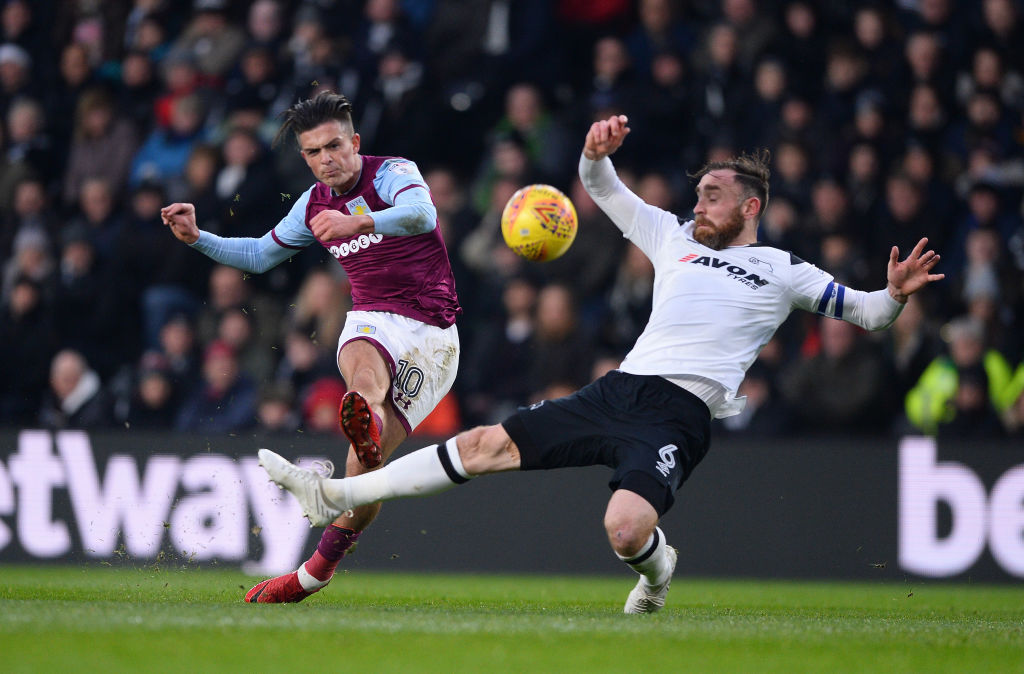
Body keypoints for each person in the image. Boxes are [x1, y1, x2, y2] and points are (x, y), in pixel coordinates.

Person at [257, 114, 945, 614]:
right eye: (698, 193)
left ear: (750, 206)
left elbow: (868, 313)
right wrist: (593, 153)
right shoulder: (671, 237)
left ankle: (656, 573)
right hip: (618, 390)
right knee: (482, 443)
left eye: (713, 196)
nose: (697, 204)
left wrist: (895, 293)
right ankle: (336, 494)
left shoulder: (781, 270)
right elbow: (606, 191)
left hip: (680, 414)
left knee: (625, 530)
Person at [160, 90, 461, 603]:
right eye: (315, 152)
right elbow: (258, 255)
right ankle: (362, 413)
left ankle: (314, 573)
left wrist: (361, 220)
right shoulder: (313, 203)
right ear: (304, 157)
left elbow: (422, 215)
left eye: (335, 146)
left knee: (363, 480)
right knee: (362, 370)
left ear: (355, 142)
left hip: (434, 338)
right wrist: (197, 238)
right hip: (371, 320)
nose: (327, 159)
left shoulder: (391, 173)